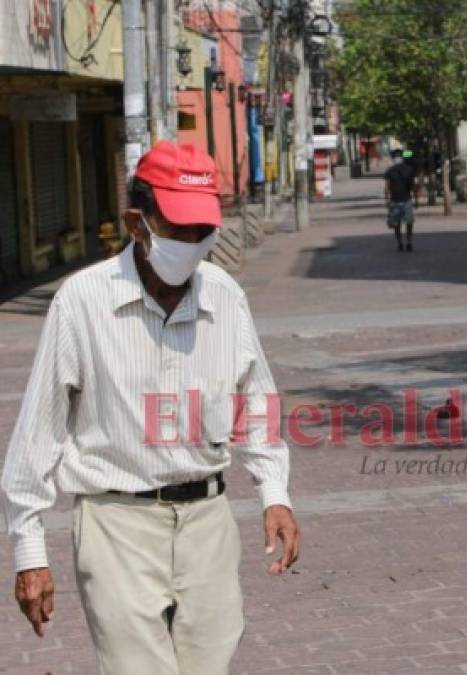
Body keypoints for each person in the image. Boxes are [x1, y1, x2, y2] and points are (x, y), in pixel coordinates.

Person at [1, 141, 301, 675]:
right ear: (137, 223)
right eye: (178, 229)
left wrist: (274, 495)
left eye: (202, 232)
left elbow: (256, 399)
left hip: (207, 520)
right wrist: (30, 551)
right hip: (116, 522)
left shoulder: (226, 298)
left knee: (209, 666)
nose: (191, 243)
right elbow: (38, 430)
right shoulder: (82, 301)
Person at [385, 149, 417, 251]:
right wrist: (416, 199)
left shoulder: (390, 171)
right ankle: (408, 242)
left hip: (395, 200)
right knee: (409, 222)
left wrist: (387, 201)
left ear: (393, 158)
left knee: (396, 224)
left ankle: (400, 243)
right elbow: (414, 186)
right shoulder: (409, 169)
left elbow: (386, 187)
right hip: (407, 199)